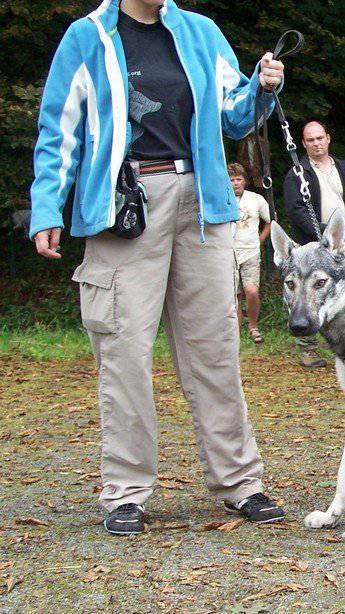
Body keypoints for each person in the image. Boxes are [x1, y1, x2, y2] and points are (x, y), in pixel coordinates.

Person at [30, 0, 287, 535]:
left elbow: (236, 115)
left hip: (204, 203)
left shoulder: (200, 32)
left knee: (216, 348)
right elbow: (59, 128)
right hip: (123, 207)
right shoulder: (87, 37)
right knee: (123, 351)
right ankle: (126, 492)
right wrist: (47, 207)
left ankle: (241, 483)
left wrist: (262, 87)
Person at [283, 120, 345, 368]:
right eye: (310, 140)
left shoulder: (343, 169)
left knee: (343, 294)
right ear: (303, 144)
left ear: (328, 138)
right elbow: (295, 210)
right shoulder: (297, 173)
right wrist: (323, 235)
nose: (316, 143)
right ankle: (308, 348)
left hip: (341, 244)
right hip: (308, 247)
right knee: (305, 295)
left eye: (320, 138)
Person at [229, 163, 271, 343]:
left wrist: (260, 240)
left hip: (251, 252)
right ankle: (235, 333)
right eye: (232, 180)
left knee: (251, 291)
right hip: (229, 253)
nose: (235, 183)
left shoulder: (256, 199)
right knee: (235, 296)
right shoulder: (223, 199)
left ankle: (253, 326)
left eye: (239, 179)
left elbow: (270, 221)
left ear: (245, 181)